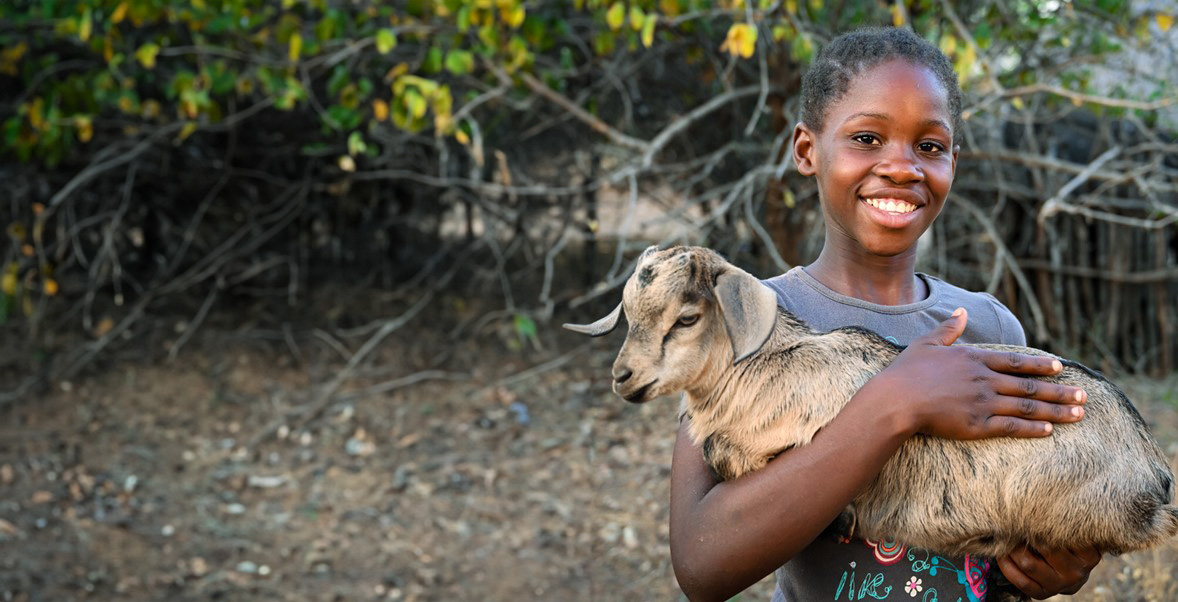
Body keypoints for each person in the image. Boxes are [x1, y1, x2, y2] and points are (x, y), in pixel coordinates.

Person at [668, 27, 1102, 602]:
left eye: (929, 146)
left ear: (952, 160)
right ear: (806, 150)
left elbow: (1011, 518)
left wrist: (1055, 565)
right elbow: (703, 564)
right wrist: (896, 403)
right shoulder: (744, 323)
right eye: (868, 138)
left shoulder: (990, 326)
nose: (901, 167)